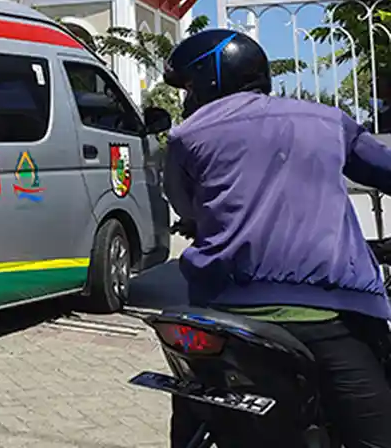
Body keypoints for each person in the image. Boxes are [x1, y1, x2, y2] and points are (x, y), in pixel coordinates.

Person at [162, 28, 391, 447]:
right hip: (330, 316)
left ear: (213, 77)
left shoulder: (186, 137)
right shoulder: (327, 121)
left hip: (223, 314)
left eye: (189, 86)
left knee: (194, 407)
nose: (187, 98)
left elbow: (188, 209)